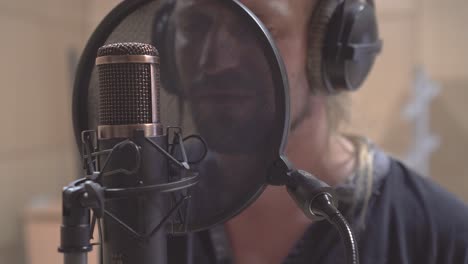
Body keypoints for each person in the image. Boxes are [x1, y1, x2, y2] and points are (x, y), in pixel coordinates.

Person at [159, 0, 468, 263]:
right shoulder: (141, 209)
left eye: (256, 27)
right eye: (194, 26)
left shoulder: (441, 237)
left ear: (330, 51)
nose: (213, 62)